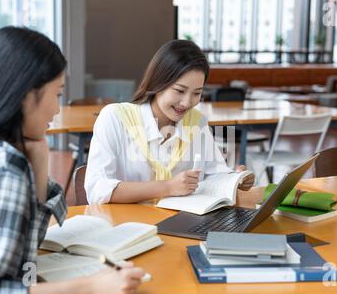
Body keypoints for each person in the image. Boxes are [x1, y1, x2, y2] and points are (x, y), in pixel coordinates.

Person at [0, 26, 145, 294]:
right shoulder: (1, 170)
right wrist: (92, 288)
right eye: (57, 94)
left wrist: (39, 160)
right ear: (24, 95)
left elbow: (21, 257)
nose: (57, 109)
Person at [85, 40, 255, 205]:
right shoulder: (115, 118)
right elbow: (97, 189)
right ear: (158, 82)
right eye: (179, 91)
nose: (187, 102)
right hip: (128, 226)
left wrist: (235, 179)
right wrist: (167, 187)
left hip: (178, 225)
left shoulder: (197, 122)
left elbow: (214, 173)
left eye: (197, 93)